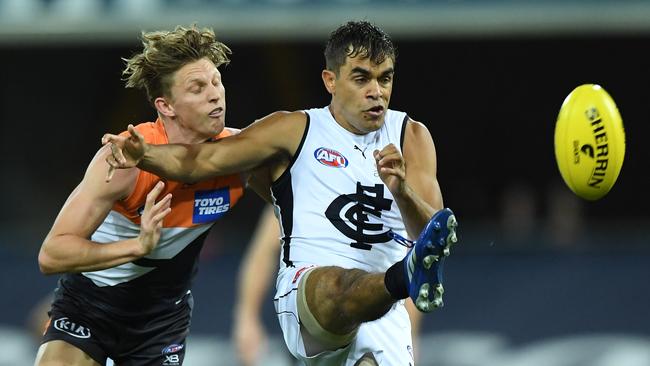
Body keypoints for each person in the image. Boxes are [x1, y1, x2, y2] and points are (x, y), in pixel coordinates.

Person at [104, 20, 458, 366]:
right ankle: (400, 277)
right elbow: (204, 160)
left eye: (385, 78)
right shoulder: (293, 130)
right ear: (330, 81)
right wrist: (144, 155)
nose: (376, 91)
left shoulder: (411, 137)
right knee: (334, 288)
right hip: (307, 292)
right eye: (361, 78)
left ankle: (398, 279)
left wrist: (402, 190)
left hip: (385, 310)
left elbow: (433, 238)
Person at [35, 25, 274, 366]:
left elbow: (296, 210)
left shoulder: (241, 156)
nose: (215, 95)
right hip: (88, 307)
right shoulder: (124, 159)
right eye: (197, 88)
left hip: (162, 319)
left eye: (216, 82)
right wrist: (137, 247)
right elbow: (52, 254)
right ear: (166, 105)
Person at [231, 207, 424, 366]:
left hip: (376, 323)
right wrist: (247, 317)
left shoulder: (389, 197)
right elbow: (263, 253)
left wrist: (409, 334)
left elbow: (407, 271)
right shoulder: (310, 183)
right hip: (319, 321)